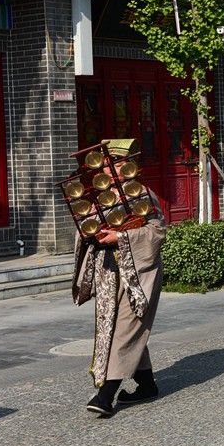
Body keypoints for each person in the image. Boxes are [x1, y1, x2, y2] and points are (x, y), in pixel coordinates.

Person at [73, 139, 165, 417]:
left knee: (126, 329)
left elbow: (157, 233)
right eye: (107, 164)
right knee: (120, 328)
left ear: (130, 164)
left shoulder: (142, 195)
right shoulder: (100, 197)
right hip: (109, 273)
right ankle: (147, 385)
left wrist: (121, 237)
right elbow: (86, 231)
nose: (111, 170)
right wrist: (89, 234)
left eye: (117, 163)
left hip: (139, 273)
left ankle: (105, 395)